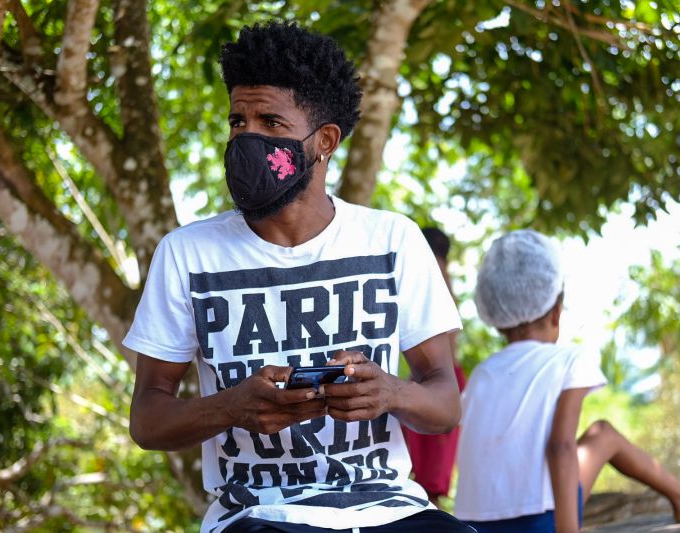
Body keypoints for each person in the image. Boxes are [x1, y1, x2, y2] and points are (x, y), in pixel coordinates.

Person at [124, 22, 473, 533]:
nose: (247, 138)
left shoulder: (393, 240)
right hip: (255, 515)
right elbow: (147, 420)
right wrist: (231, 408)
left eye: (271, 122)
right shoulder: (187, 254)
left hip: (389, 509)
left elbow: (445, 405)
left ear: (324, 141)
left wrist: (390, 393)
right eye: (237, 121)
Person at [453, 230, 680, 533]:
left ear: (497, 318)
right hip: (539, 522)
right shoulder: (569, 359)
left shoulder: (482, 373)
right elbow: (560, 447)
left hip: (473, 525)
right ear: (556, 312)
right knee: (603, 434)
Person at [402, 227, 467, 507]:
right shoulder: (438, 272)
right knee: (424, 475)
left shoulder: (432, 270)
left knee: (429, 476)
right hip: (432, 377)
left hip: (437, 380)